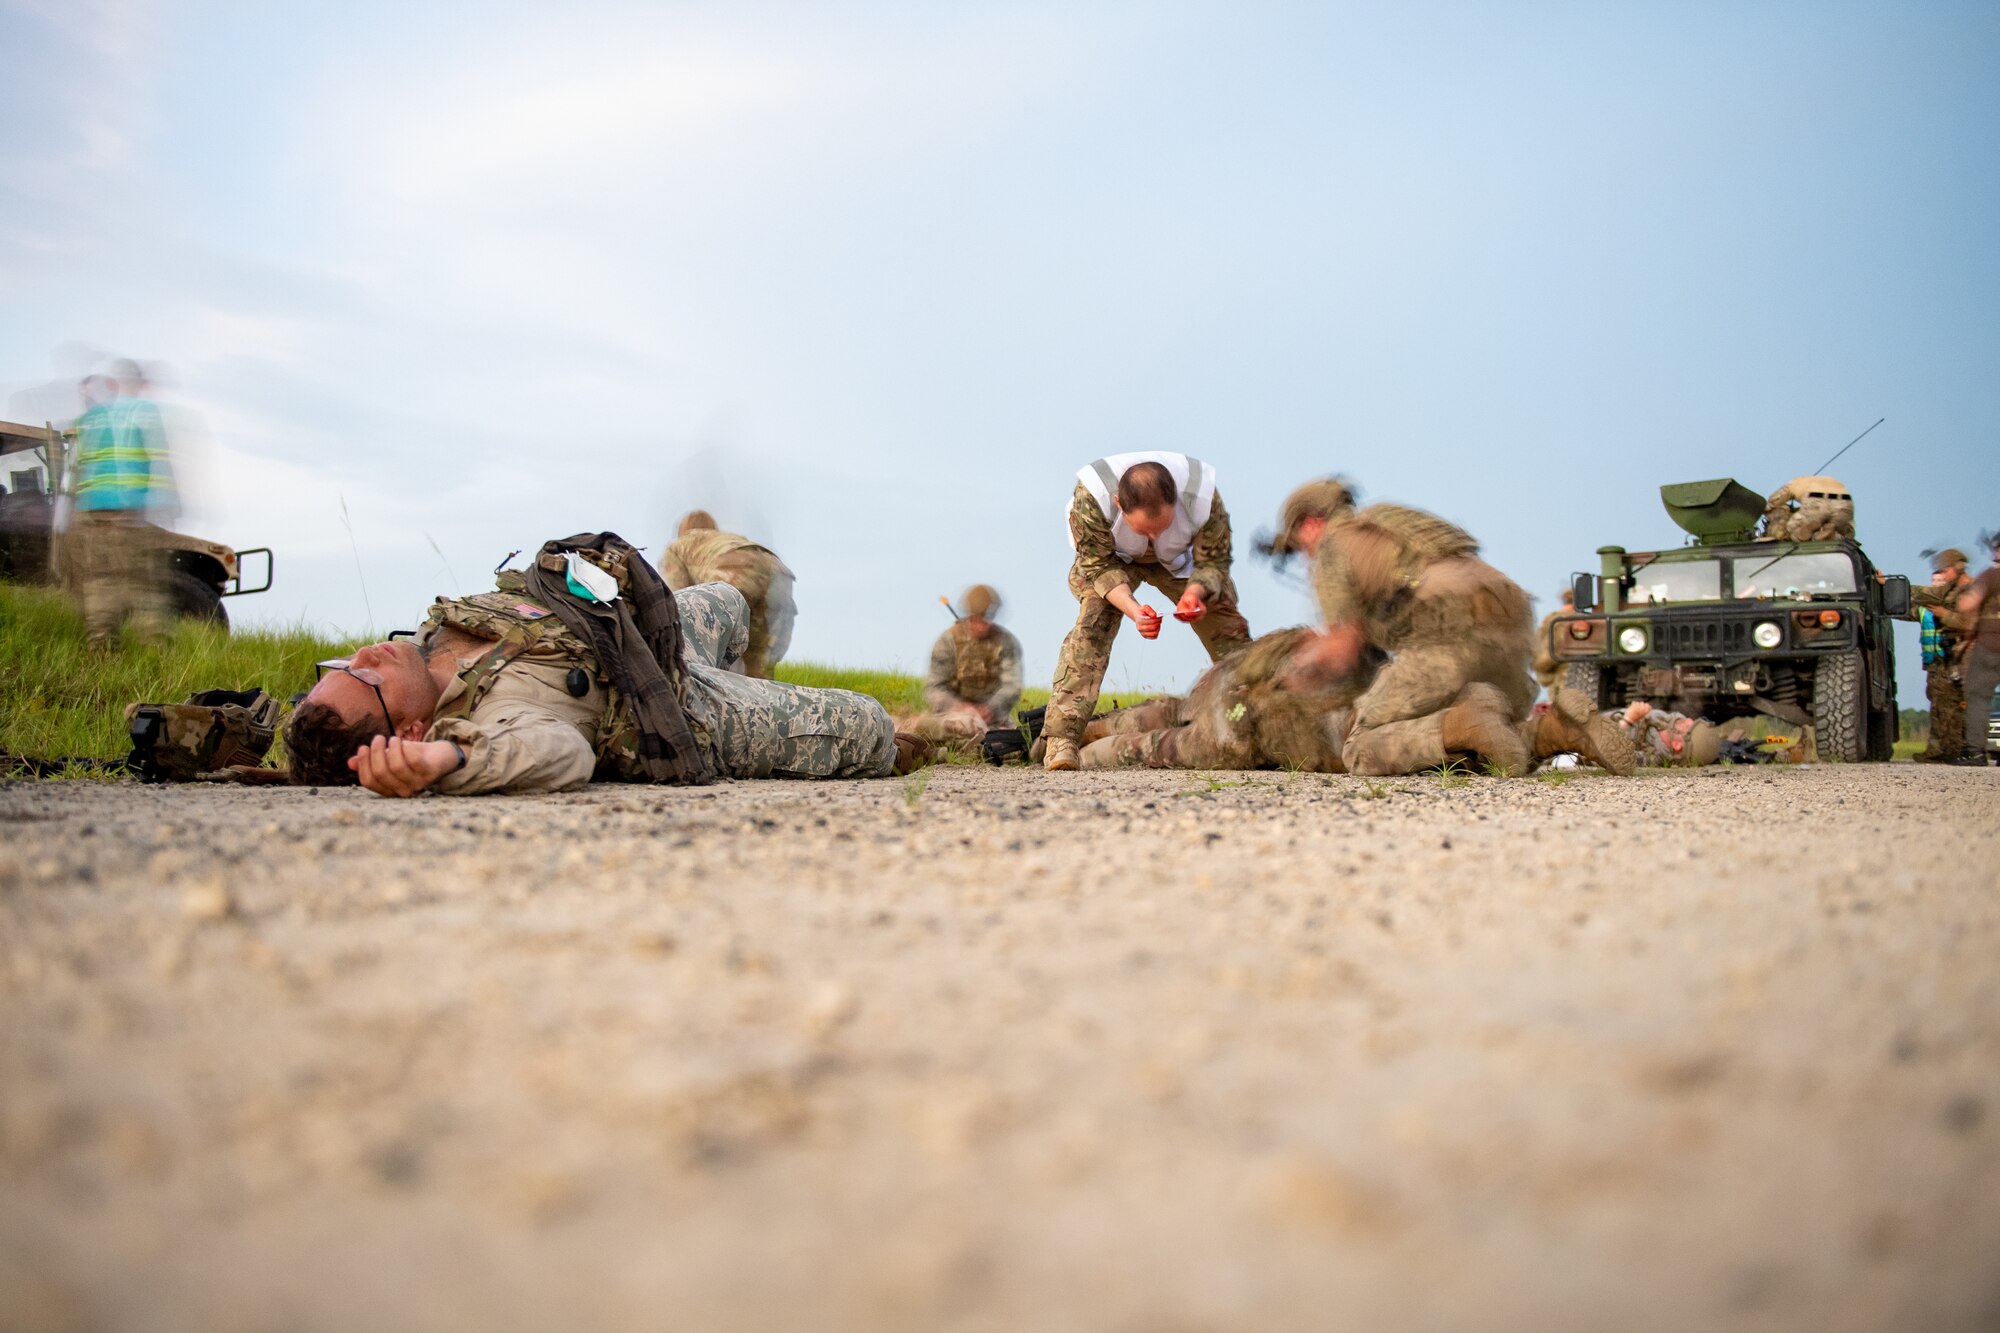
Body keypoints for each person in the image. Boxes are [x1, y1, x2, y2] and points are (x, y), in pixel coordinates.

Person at [284, 543, 922, 796]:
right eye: (366, 677)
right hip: (676, 703)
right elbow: (560, 753)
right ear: (412, 734)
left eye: (344, 663)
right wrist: (450, 764)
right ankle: (909, 739)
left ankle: (749, 681)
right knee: (867, 727)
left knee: (728, 600)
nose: (366, 654)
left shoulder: (428, 642)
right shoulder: (498, 717)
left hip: (646, 642)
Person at [1269, 477, 1543, 776]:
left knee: (1360, 747)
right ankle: (1560, 729)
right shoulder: (1389, 527)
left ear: (1310, 524)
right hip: (1514, 624)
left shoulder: (1334, 544)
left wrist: (1294, 671)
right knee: (1499, 730)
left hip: (1451, 636)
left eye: (1299, 545)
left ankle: (1468, 723)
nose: (1303, 556)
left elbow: (1342, 647)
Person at [1042, 452, 1251, 770]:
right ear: (1119, 504)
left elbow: (1213, 562)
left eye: (1161, 527)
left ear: (1176, 502)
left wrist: (1195, 594)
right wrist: (1135, 610)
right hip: (1114, 561)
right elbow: (1097, 567)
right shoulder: (1091, 499)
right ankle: (1061, 739)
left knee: (1225, 623)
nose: (1153, 537)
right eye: (1143, 530)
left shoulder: (1202, 496)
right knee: (1092, 626)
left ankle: (1253, 717)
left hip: (1179, 563)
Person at [1078, 628, 1373, 771]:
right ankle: (1065, 747)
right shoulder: (1364, 691)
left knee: (1166, 718)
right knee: (1145, 746)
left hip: (1231, 691)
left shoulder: (1326, 645)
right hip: (1237, 725)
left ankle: (1059, 739)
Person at [70, 364, 176, 647]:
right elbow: (159, 459)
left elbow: (80, 469)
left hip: (90, 513)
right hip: (127, 513)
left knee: (99, 583)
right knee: (145, 585)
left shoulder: (88, 420)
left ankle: (101, 648)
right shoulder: (142, 411)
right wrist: (167, 504)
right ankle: (159, 653)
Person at [657, 511, 796, 678]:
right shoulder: (728, 538)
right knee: (759, 668)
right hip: (778, 573)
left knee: (718, 657)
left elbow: (677, 601)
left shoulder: (678, 546)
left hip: (735, 570)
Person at [902, 585, 1024, 752]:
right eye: (976, 617)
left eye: (987, 617)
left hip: (995, 720)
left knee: (1013, 744)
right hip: (953, 718)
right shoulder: (947, 641)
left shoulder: (1007, 642)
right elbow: (934, 688)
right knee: (947, 729)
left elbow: (1012, 686)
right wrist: (959, 707)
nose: (982, 624)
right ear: (968, 614)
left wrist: (990, 709)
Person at [1909, 548, 1975, 763]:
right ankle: (1943, 750)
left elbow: (1972, 622)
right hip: (1938, 658)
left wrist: (1945, 615)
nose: (1943, 576)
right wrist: (1887, 586)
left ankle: (1962, 750)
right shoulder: (1949, 591)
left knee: (1959, 705)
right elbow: (1920, 595)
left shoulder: (1970, 591)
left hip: (1961, 656)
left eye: (1945, 571)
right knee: (1942, 705)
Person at [1953, 532, 2000, 767]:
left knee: (1979, 698)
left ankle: (1975, 752)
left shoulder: (1991, 576)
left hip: (1990, 645)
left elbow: (1967, 604)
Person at [1760, 476, 1854, 542]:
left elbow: (1775, 500)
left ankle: (1804, 535)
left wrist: (1766, 508)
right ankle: (1832, 535)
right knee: (1845, 532)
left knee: (1792, 529)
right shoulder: (1811, 481)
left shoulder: (1792, 485)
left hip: (1816, 502)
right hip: (1845, 503)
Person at [1532, 586, 1575, 697]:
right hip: (1567, 678)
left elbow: (1542, 649)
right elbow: (1555, 647)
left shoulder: (1552, 620)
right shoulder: (1580, 621)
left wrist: (1539, 665)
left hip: (1558, 678)